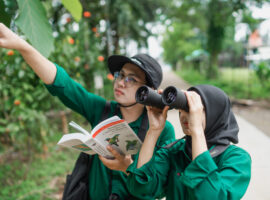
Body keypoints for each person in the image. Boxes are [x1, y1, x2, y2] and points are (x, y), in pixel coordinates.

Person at [0, 23, 175, 199]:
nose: (121, 83)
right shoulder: (102, 109)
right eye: (120, 75)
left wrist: (127, 168)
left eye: (131, 79)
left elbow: (159, 189)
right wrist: (22, 46)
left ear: (148, 91)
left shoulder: (162, 130)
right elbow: (63, 85)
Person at [109, 84, 251, 200]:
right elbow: (140, 188)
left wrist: (197, 131)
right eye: (181, 109)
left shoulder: (237, 159)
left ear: (215, 113)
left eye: (192, 110)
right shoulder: (174, 150)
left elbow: (210, 196)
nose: (184, 116)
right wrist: (153, 130)